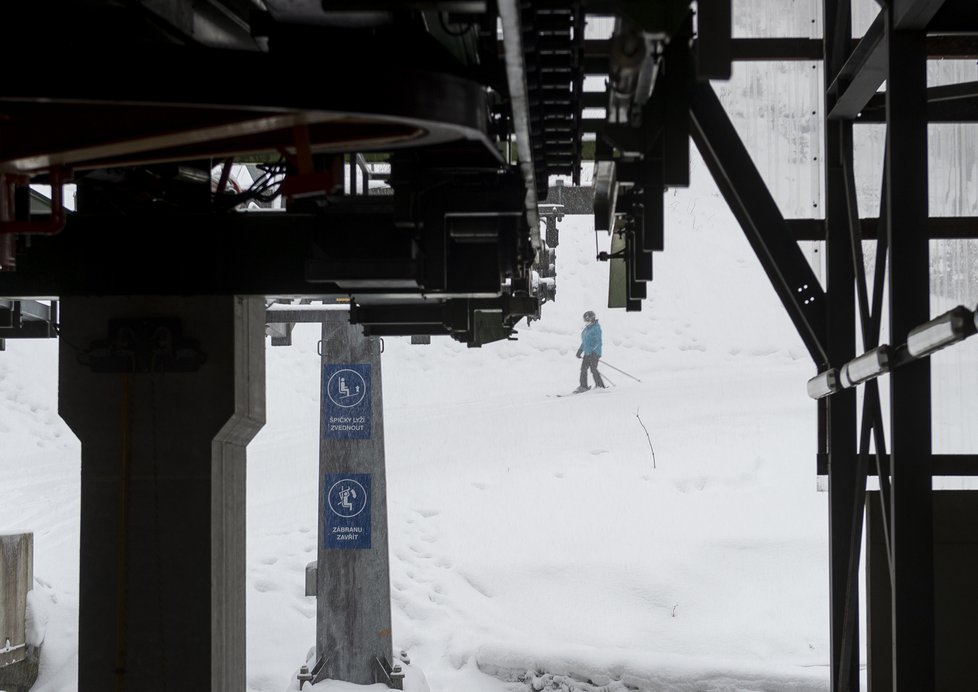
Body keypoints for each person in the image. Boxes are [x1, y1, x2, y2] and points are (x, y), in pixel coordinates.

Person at [575, 310, 606, 393]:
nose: (586, 322)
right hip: (587, 353)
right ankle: (583, 386)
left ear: (592, 319)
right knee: (583, 369)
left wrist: (593, 352)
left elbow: (598, 342)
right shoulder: (587, 329)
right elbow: (585, 342)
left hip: (594, 353)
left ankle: (600, 385)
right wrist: (580, 350)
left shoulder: (596, 328)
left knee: (593, 369)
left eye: (588, 320)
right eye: (585, 320)